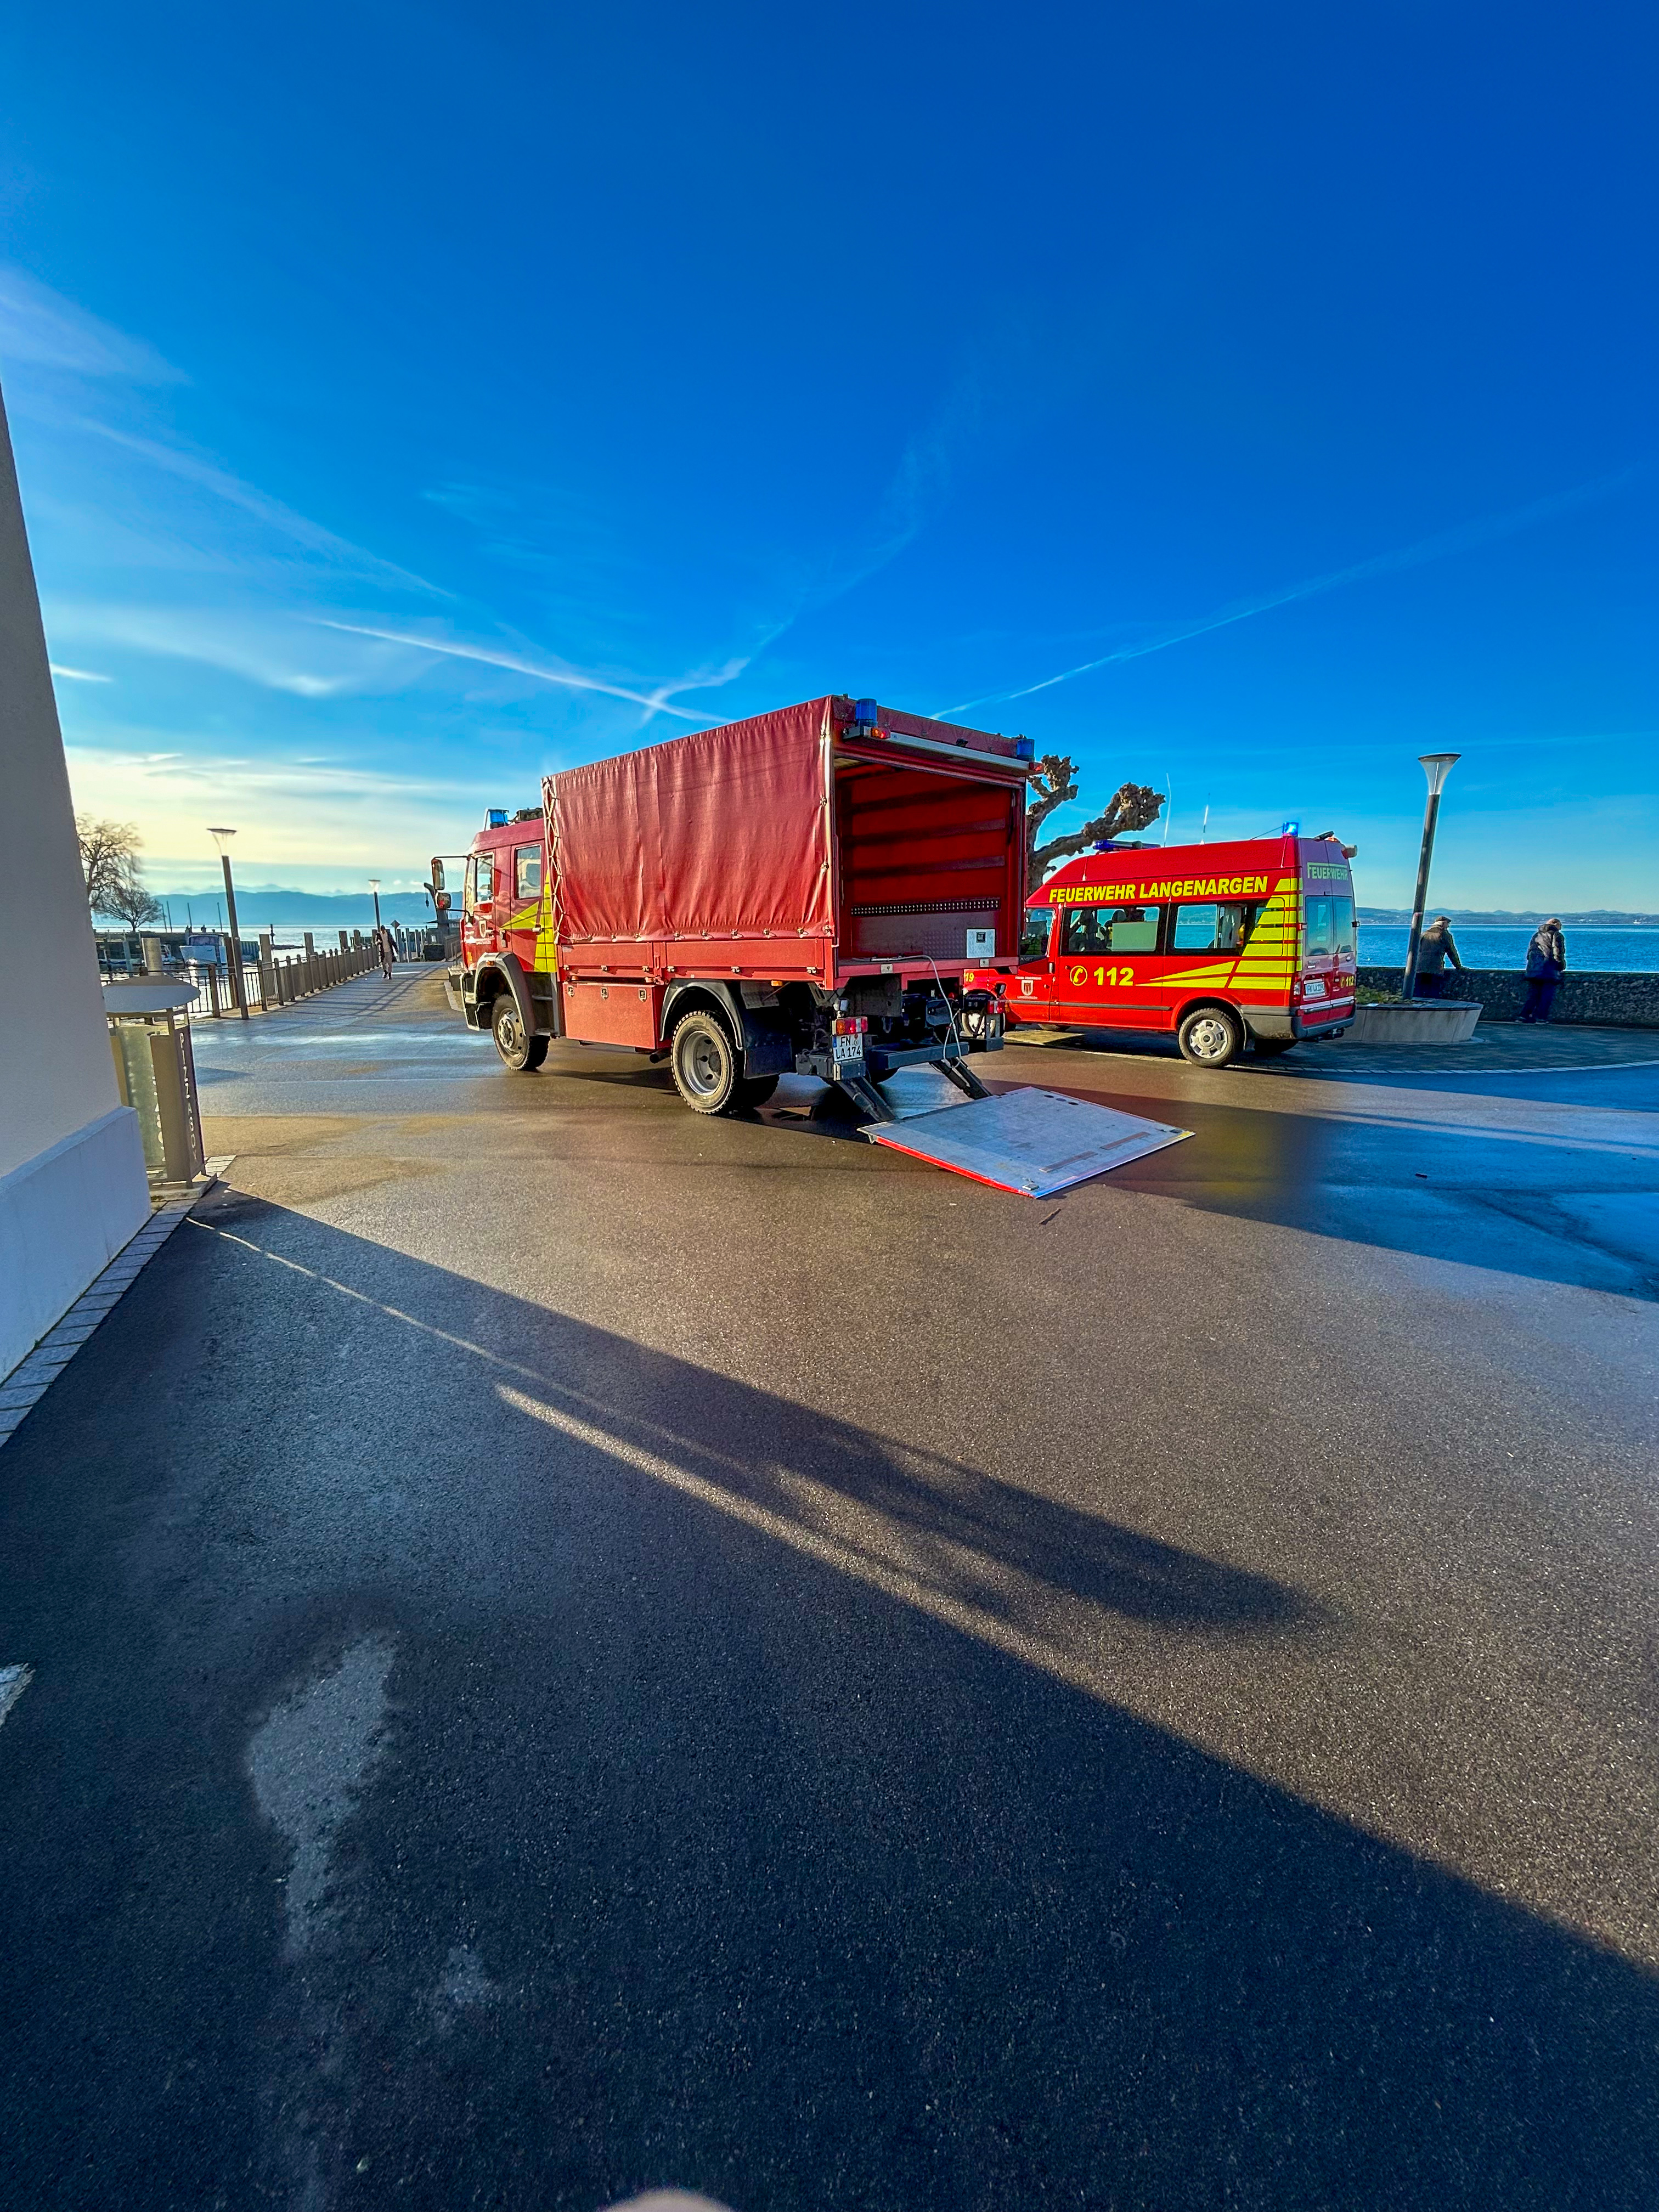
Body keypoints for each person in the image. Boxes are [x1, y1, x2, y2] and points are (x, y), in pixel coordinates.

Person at [1521, 917, 1566, 1023]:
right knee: (1547, 995)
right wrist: (1560, 966)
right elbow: (1558, 953)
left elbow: (1530, 953)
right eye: (1560, 926)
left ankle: (1524, 1016)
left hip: (1534, 970)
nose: (1561, 928)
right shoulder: (1556, 935)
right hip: (1549, 970)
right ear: (1556, 925)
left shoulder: (1536, 936)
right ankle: (1541, 1018)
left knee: (1533, 995)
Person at [1414, 916, 1463, 998]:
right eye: (1448, 924)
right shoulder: (1444, 935)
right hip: (1435, 968)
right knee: (1433, 994)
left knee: (1419, 994)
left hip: (1420, 967)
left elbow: (1416, 951)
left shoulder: (1424, 934)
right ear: (1443, 924)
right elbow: (1452, 952)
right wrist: (1458, 967)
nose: (1448, 927)